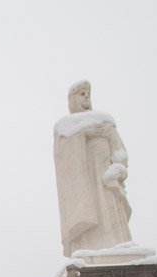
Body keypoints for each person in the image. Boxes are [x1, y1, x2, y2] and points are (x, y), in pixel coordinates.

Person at [53, 80, 133, 257]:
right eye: (82, 94)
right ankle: (89, 246)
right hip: (84, 180)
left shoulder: (105, 121)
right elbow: (62, 155)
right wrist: (84, 133)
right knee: (90, 210)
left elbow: (119, 150)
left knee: (110, 209)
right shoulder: (66, 126)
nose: (86, 97)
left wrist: (119, 168)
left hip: (106, 177)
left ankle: (117, 246)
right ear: (73, 99)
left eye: (88, 93)